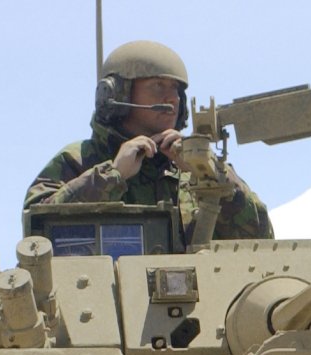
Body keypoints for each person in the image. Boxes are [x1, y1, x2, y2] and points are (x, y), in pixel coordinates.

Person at [24, 40, 273, 242]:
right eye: (158, 85)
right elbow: (35, 231)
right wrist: (112, 176)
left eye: (176, 89)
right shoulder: (79, 159)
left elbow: (262, 236)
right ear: (116, 93)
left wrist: (209, 175)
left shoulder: (195, 169)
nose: (172, 98)